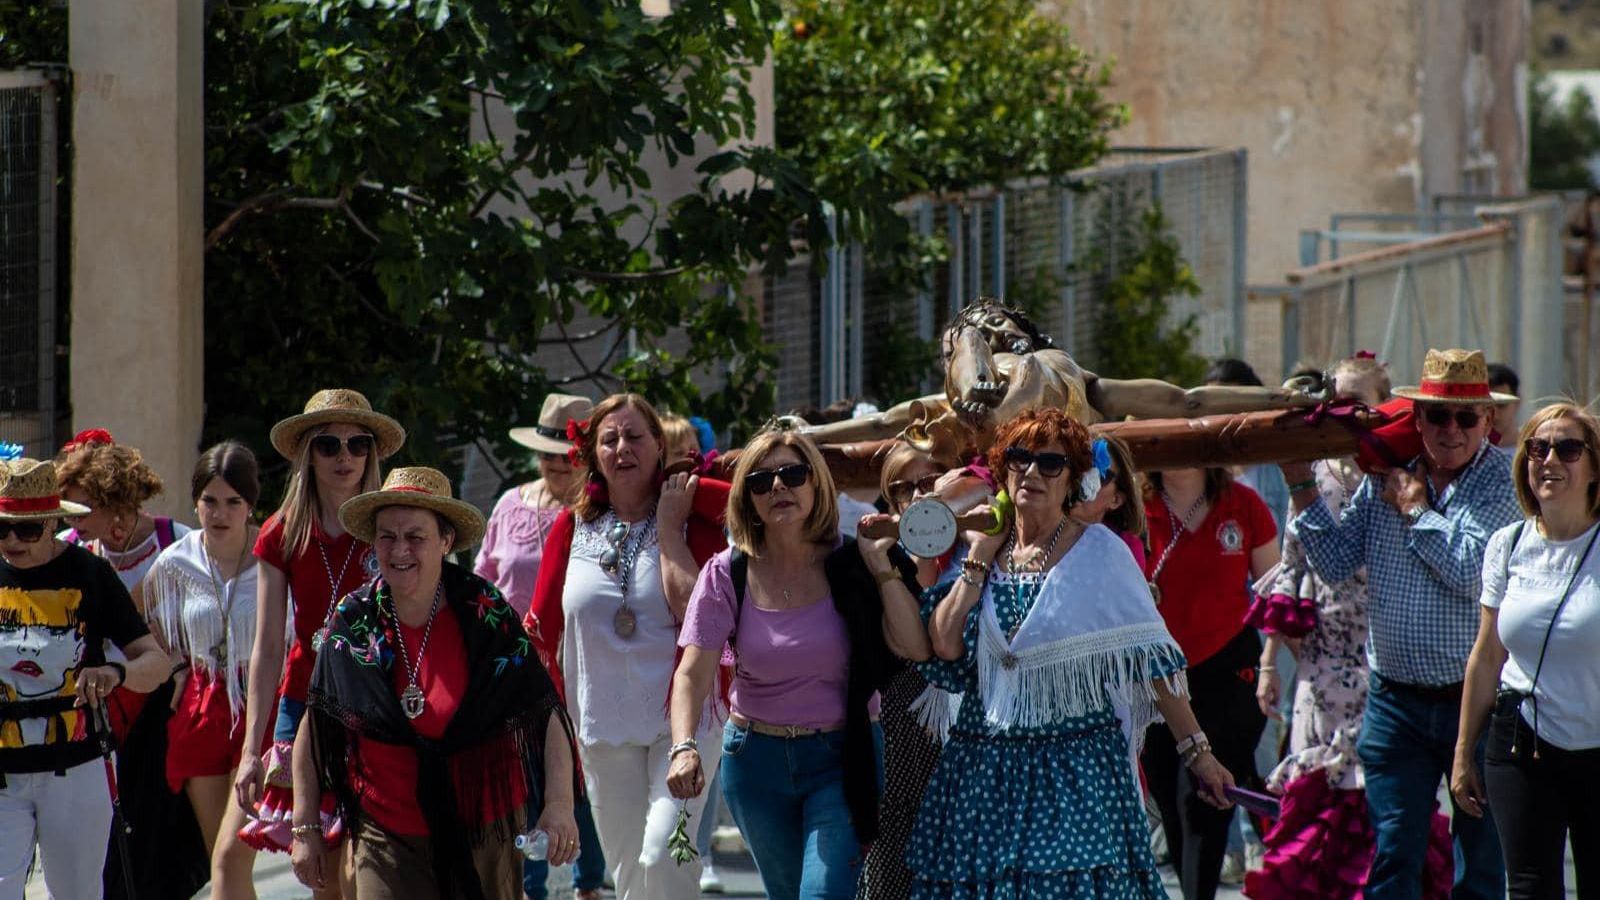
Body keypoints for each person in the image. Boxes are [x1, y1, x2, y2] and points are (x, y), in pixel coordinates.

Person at [904, 407, 1235, 897]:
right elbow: (946, 645)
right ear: (1002, 469)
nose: (1032, 472)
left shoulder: (1100, 553)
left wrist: (1198, 752)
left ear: (1074, 479)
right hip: (984, 771)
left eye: (1051, 463)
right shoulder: (982, 550)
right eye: (1019, 458)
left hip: (1074, 771)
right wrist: (976, 558)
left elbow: (1151, 662)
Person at [1280, 348, 1519, 900]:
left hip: (1475, 700)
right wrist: (1301, 487)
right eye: (1437, 416)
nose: (1451, 430)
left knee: (1480, 859)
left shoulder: (1503, 484)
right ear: (1417, 419)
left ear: (1487, 421)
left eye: (1465, 418)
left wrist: (1415, 510)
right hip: (1395, 698)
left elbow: (1470, 572)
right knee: (1393, 851)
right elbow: (1337, 565)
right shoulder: (1385, 474)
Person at [667, 427, 931, 899]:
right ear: (748, 497)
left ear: (817, 484)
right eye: (762, 481)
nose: (779, 488)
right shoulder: (729, 572)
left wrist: (883, 569)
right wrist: (684, 746)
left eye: (792, 474)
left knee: (823, 892)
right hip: (754, 763)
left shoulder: (854, 560)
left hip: (841, 757)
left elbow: (914, 647)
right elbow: (692, 672)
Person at [294, 467, 581, 899]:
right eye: (387, 536)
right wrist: (305, 827)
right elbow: (317, 725)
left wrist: (559, 804)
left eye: (416, 536)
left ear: (445, 542)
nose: (400, 549)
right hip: (386, 832)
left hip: (484, 828)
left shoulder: (486, 614)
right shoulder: (353, 621)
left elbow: (543, 710)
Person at [1243, 356, 1452, 900]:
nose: (1348, 414)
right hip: (1322, 662)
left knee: (1390, 813)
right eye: (1338, 402)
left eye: (1362, 404)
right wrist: (1270, 663)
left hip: (1387, 659)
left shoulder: (1408, 473)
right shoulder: (1317, 476)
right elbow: (1295, 565)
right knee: (1317, 804)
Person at [525, 393, 729, 899]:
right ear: (593, 455)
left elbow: (744, 502)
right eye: (609, 440)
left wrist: (678, 501)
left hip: (682, 723)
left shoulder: (691, 518)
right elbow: (539, 629)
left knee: (663, 855)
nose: (622, 449)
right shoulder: (570, 528)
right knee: (630, 875)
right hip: (600, 724)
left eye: (635, 436)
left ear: (659, 445)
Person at [235, 388, 405, 896]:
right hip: (306, 706)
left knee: (373, 863)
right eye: (329, 445)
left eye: (358, 445)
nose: (345, 457)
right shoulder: (281, 533)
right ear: (308, 452)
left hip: (382, 702)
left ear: (372, 454)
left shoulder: (389, 527)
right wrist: (250, 750)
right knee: (323, 872)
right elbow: (266, 650)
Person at [0, 457, 168, 900]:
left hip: (75, 767)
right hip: (2, 771)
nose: (12, 541)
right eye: (1, 529)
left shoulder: (89, 574)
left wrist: (116, 672)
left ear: (53, 522)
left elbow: (155, 661)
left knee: (76, 894)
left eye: (27, 530)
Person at [1453, 402, 1600, 898]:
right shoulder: (1507, 543)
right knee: (1530, 887)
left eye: (1568, 448)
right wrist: (1462, 755)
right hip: (1522, 741)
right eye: (1538, 448)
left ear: (1595, 467)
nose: (1549, 459)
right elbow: (1487, 655)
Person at [55, 430, 204, 899]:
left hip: (166, 709)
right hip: (100, 712)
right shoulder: (68, 550)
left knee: (162, 839)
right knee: (105, 841)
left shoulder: (177, 543)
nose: (72, 518)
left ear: (114, 500)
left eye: (84, 507)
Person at [480, 393, 607, 900]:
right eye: (546, 453)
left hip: (580, 663)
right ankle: (530, 887)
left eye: (567, 454)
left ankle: (589, 883)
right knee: (521, 777)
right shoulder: (509, 503)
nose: (556, 463)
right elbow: (484, 579)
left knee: (580, 777)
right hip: (511, 666)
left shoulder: (599, 514)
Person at [1141, 464, 1279, 900]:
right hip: (1157, 676)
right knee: (1170, 802)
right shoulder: (1132, 508)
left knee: (1203, 797)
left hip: (1230, 669)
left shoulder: (1243, 502)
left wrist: (1277, 663)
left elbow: (1276, 591)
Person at [144, 442, 265, 899]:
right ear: (195, 501)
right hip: (202, 705)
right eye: (210, 501)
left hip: (261, 706)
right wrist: (176, 667)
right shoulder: (175, 561)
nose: (220, 513)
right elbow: (144, 620)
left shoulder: (274, 558)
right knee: (224, 864)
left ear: (250, 504)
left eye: (233, 502)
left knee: (232, 857)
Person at [851, 442, 952, 900]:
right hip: (901, 741)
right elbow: (915, 648)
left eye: (928, 482)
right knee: (893, 871)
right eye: (902, 488)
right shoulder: (878, 561)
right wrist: (882, 569)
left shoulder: (978, 551)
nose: (917, 496)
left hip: (970, 749)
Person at [1070, 434, 1146, 567]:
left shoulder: (1125, 549)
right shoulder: (1039, 529)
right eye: (1077, 467)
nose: (1082, 481)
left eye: (1099, 476)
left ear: (1116, 500)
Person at [1487, 363, 1521, 449]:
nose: (1494, 415)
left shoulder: (1534, 453)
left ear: (1517, 402)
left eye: (1501, 405)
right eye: (1486, 406)